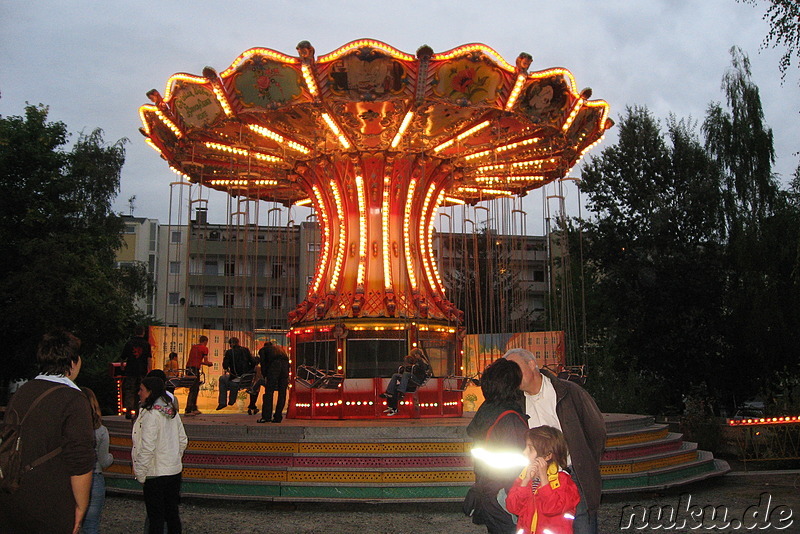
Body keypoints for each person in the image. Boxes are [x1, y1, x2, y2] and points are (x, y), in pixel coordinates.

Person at [0, 329, 95, 534]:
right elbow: (80, 459)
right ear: (73, 362)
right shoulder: (73, 399)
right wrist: (80, 506)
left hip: (13, 496)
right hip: (50, 501)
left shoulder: (22, 392)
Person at [504, 348, 606, 534]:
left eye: (516, 367)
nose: (513, 375)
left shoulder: (568, 392)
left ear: (532, 364)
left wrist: (584, 462)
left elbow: (596, 430)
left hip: (573, 473)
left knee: (582, 525)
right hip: (536, 475)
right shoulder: (514, 403)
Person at [463, 358, 529, 534]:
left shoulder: (486, 410)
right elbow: (516, 463)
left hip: (487, 489)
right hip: (505, 494)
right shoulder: (509, 419)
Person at [132, 376, 188, 534]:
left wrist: (141, 473)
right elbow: (183, 439)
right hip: (172, 471)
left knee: (156, 518)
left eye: (142, 390)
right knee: (172, 515)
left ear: (150, 392)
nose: (139, 393)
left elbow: (146, 447)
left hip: (155, 473)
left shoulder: (151, 415)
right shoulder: (170, 411)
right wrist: (173, 457)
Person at [506, 426, 581, 534]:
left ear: (547, 456)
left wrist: (544, 480)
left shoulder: (563, 481)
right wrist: (525, 481)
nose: (524, 452)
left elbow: (552, 508)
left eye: (530, 449)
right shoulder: (525, 477)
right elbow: (513, 507)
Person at [80, 387, 115, 534]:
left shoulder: (71, 428)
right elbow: (104, 460)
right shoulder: (101, 431)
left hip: (72, 476)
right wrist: (112, 458)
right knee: (91, 525)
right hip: (94, 476)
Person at [380, 348, 429, 415]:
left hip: (417, 379)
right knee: (395, 377)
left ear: (417, 355)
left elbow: (422, 371)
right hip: (409, 380)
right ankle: (391, 403)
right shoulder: (415, 363)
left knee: (406, 374)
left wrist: (412, 368)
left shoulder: (422, 362)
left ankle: (401, 392)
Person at [121, 326, 152, 419]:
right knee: (141, 391)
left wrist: (122, 366)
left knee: (129, 390)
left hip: (130, 370)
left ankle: (129, 410)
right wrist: (149, 370)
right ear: (143, 333)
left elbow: (123, 357)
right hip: (142, 371)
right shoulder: (146, 344)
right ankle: (139, 410)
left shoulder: (129, 343)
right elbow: (149, 358)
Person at [216, 337, 256, 410]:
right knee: (231, 381)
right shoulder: (246, 350)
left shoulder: (229, 352)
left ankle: (223, 402)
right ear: (238, 343)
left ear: (231, 344)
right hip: (246, 378)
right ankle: (231, 400)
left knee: (222, 379)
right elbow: (253, 362)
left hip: (235, 377)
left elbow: (225, 366)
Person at [257, 340, 290, 423]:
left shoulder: (263, 350)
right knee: (282, 393)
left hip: (274, 368)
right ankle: (278, 417)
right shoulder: (280, 350)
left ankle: (266, 417)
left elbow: (263, 364)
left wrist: (265, 375)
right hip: (284, 369)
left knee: (269, 393)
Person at [184, 335, 211, 416]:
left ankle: (193, 408)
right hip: (195, 370)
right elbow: (206, 361)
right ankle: (189, 409)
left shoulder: (194, 347)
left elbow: (196, 360)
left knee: (193, 388)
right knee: (194, 389)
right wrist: (209, 364)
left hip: (188, 368)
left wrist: (201, 363)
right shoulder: (204, 348)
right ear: (205, 341)